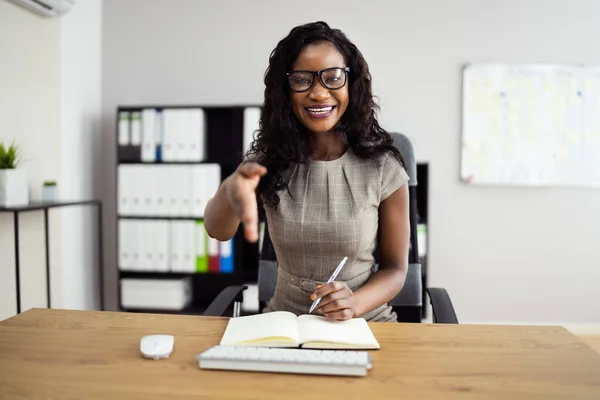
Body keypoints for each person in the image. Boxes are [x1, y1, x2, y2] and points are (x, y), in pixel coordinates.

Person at [204, 21, 410, 322]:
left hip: (364, 324)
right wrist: (228, 190)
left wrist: (355, 302)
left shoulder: (383, 167)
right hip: (284, 324)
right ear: (285, 91)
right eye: (302, 80)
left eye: (332, 78)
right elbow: (216, 230)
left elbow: (395, 270)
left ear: (351, 83)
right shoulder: (267, 162)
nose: (318, 92)